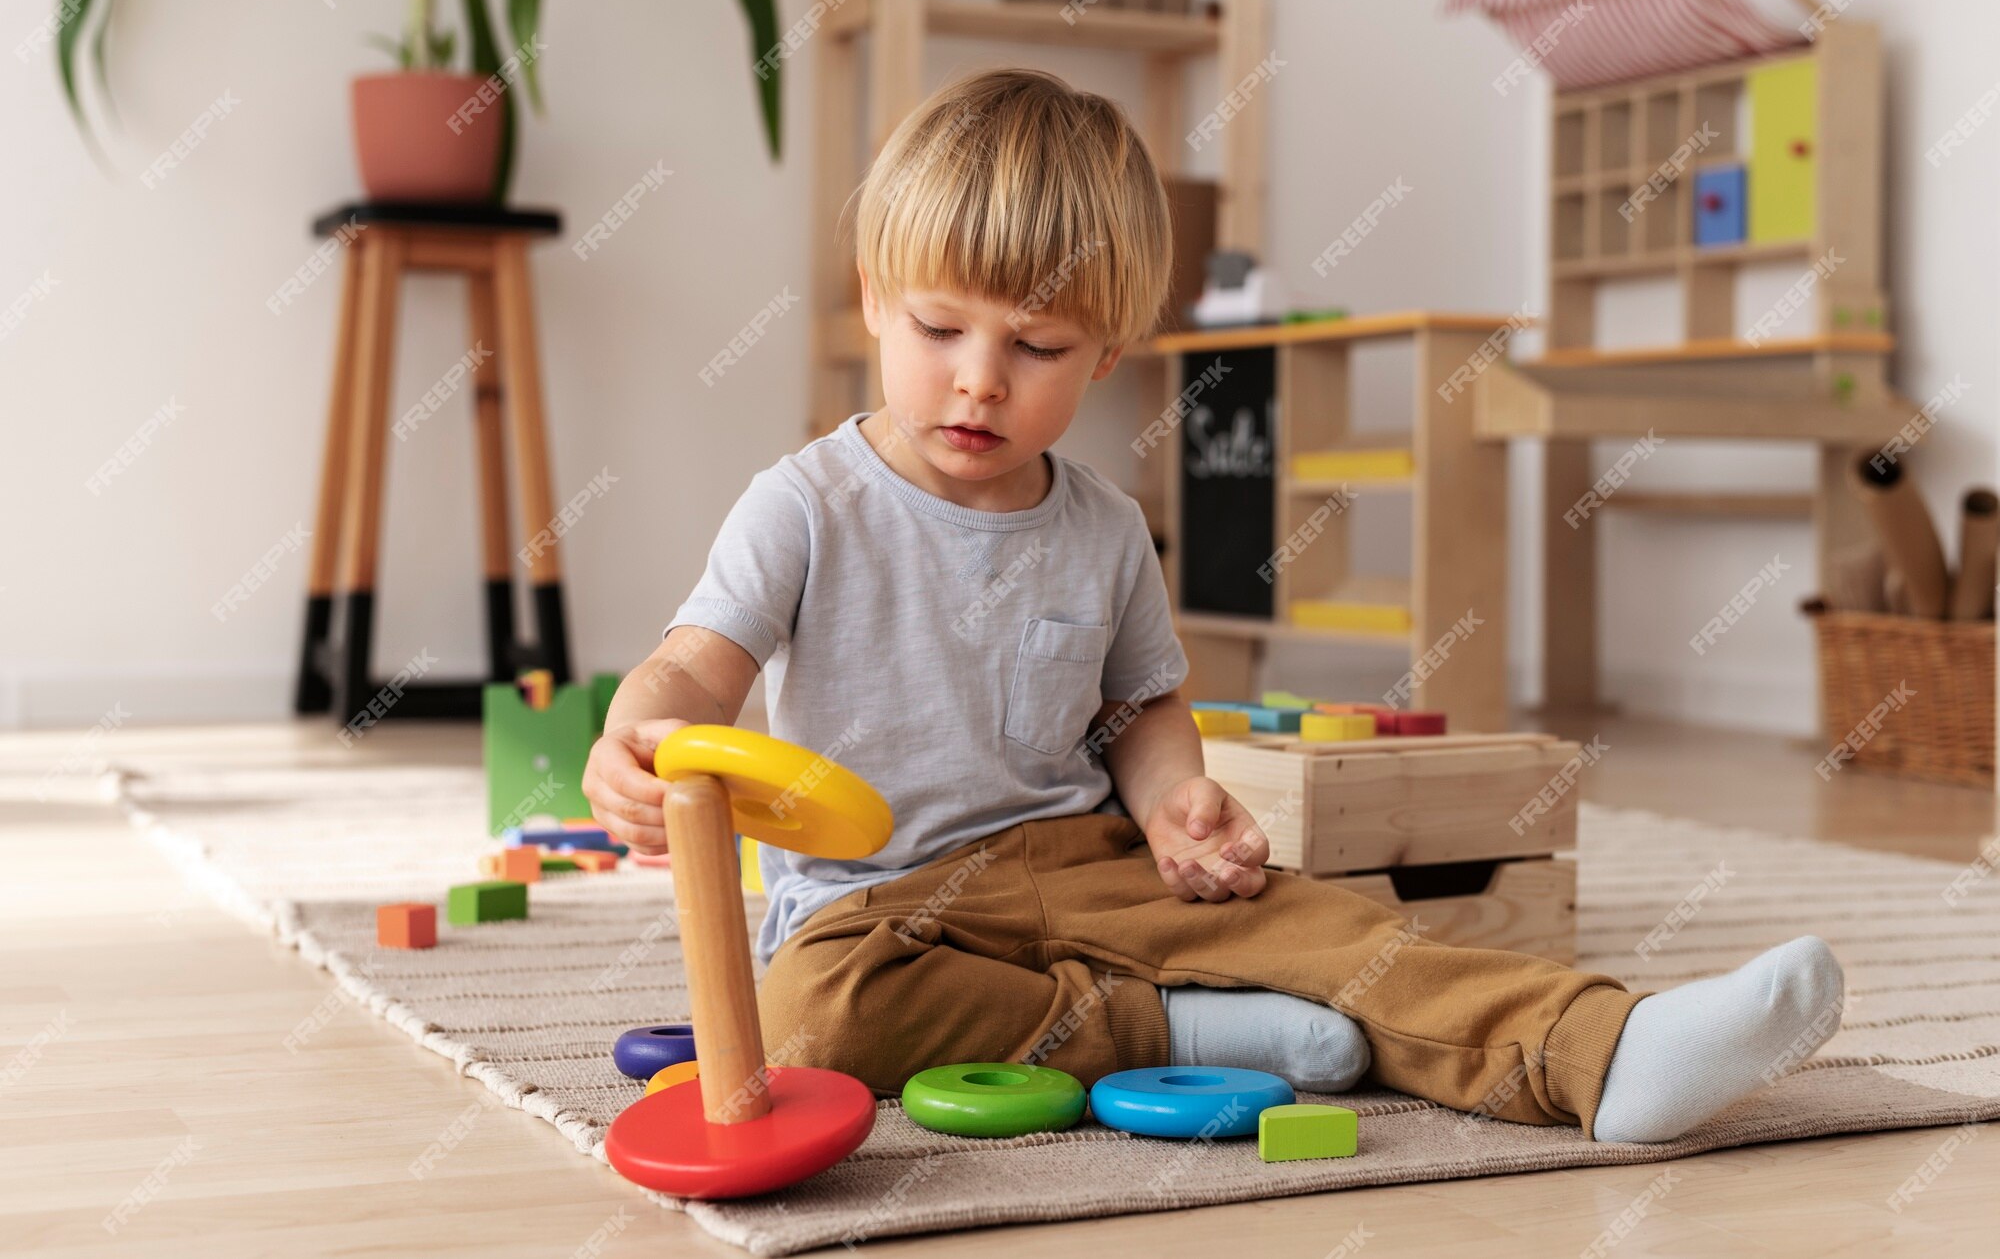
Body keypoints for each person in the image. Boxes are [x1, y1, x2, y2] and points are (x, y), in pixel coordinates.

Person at [583, 68, 1843, 1143]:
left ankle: (1600, 1053)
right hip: (872, 902)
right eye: (935, 328)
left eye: (1035, 349)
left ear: (1107, 355)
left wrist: (1175, 799)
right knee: (806, 1017)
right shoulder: (802, 504)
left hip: (1079, 861)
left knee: (1328, 925)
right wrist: (637, 733)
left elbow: (1140, 711)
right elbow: (696, 669)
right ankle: (1172, 1028)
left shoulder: (1107, 526)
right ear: (869, 297)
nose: (976, 382)